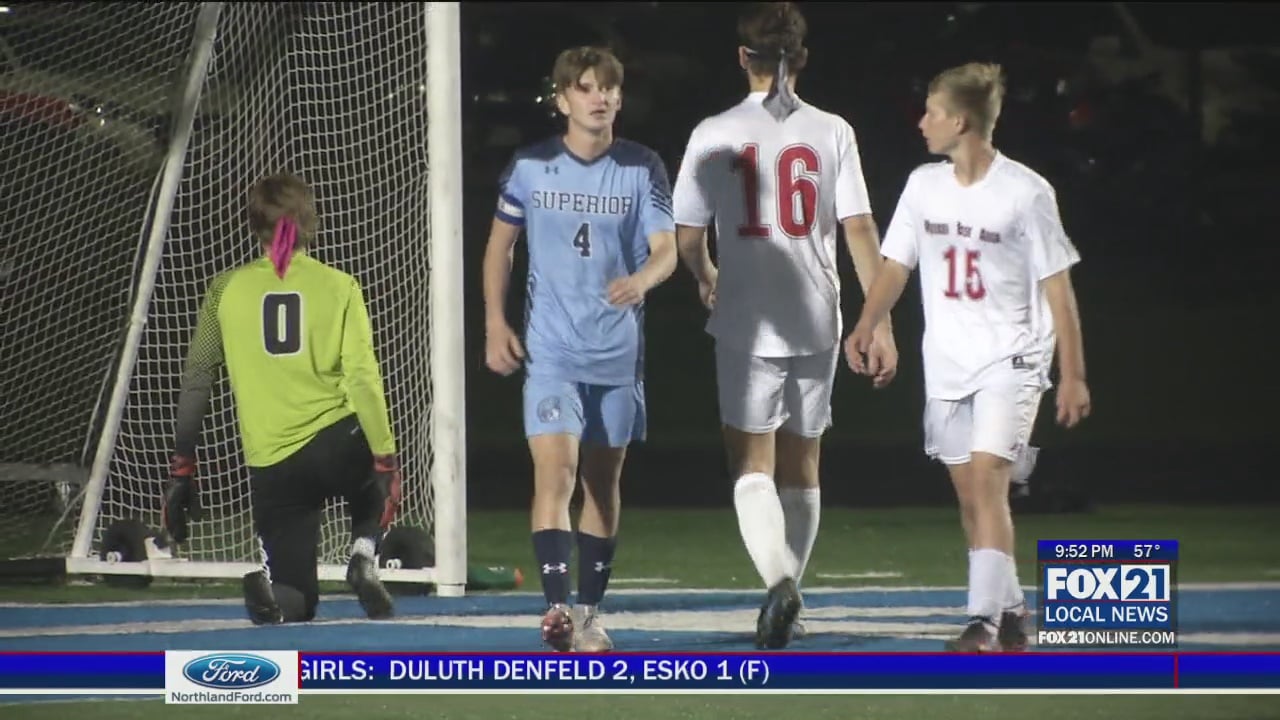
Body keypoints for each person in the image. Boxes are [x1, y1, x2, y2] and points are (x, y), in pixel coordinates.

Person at [671, 1, 898, 650]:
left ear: (743, 57)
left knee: (751, 465)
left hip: (748, 316)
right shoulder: (832, 130)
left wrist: (707, 273)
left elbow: (689, 235)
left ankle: (779, 583)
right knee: (804, 465)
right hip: (818, 315)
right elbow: (858, 227)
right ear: (800, 58)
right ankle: (789, 595)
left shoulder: (714, 132)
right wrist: (876, 319)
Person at [846, 62, 1092, 652]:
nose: (922, 122)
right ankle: (1011, 614)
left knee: (988, 482)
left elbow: (1058, 287)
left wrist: (1074, 374)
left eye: (931, 110)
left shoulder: (1026, 193)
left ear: (960, 120)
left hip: (1013, 357)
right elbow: (895, 265)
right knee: (969, 497)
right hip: (948, 362)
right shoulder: (922, 185)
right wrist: (866, 322)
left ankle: (981, 621)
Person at [482, 46, 677, 652]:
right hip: (551, 353)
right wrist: (494, 321)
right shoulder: (531, 166)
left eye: (608, 88)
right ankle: (556, 608)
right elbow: (499, 250)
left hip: (616, 354)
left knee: (601, 482)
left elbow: (665, 248)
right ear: (563, 98)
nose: (599, 98)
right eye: (585, 88)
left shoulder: (642, 167)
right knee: (555, 473)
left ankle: (590, 612)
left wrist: (642, 280)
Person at [163, 173, 402, 626]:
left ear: (255, 225)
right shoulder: (339, 286)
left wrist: (182, 468)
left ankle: (275, 596)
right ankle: (363, 553)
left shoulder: (223, 291)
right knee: (373, 481)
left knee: (297, 597)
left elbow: (197, 380)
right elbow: (362, 378)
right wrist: (385, 460)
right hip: (337, 439)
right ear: (308, 223)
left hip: (273, 461)